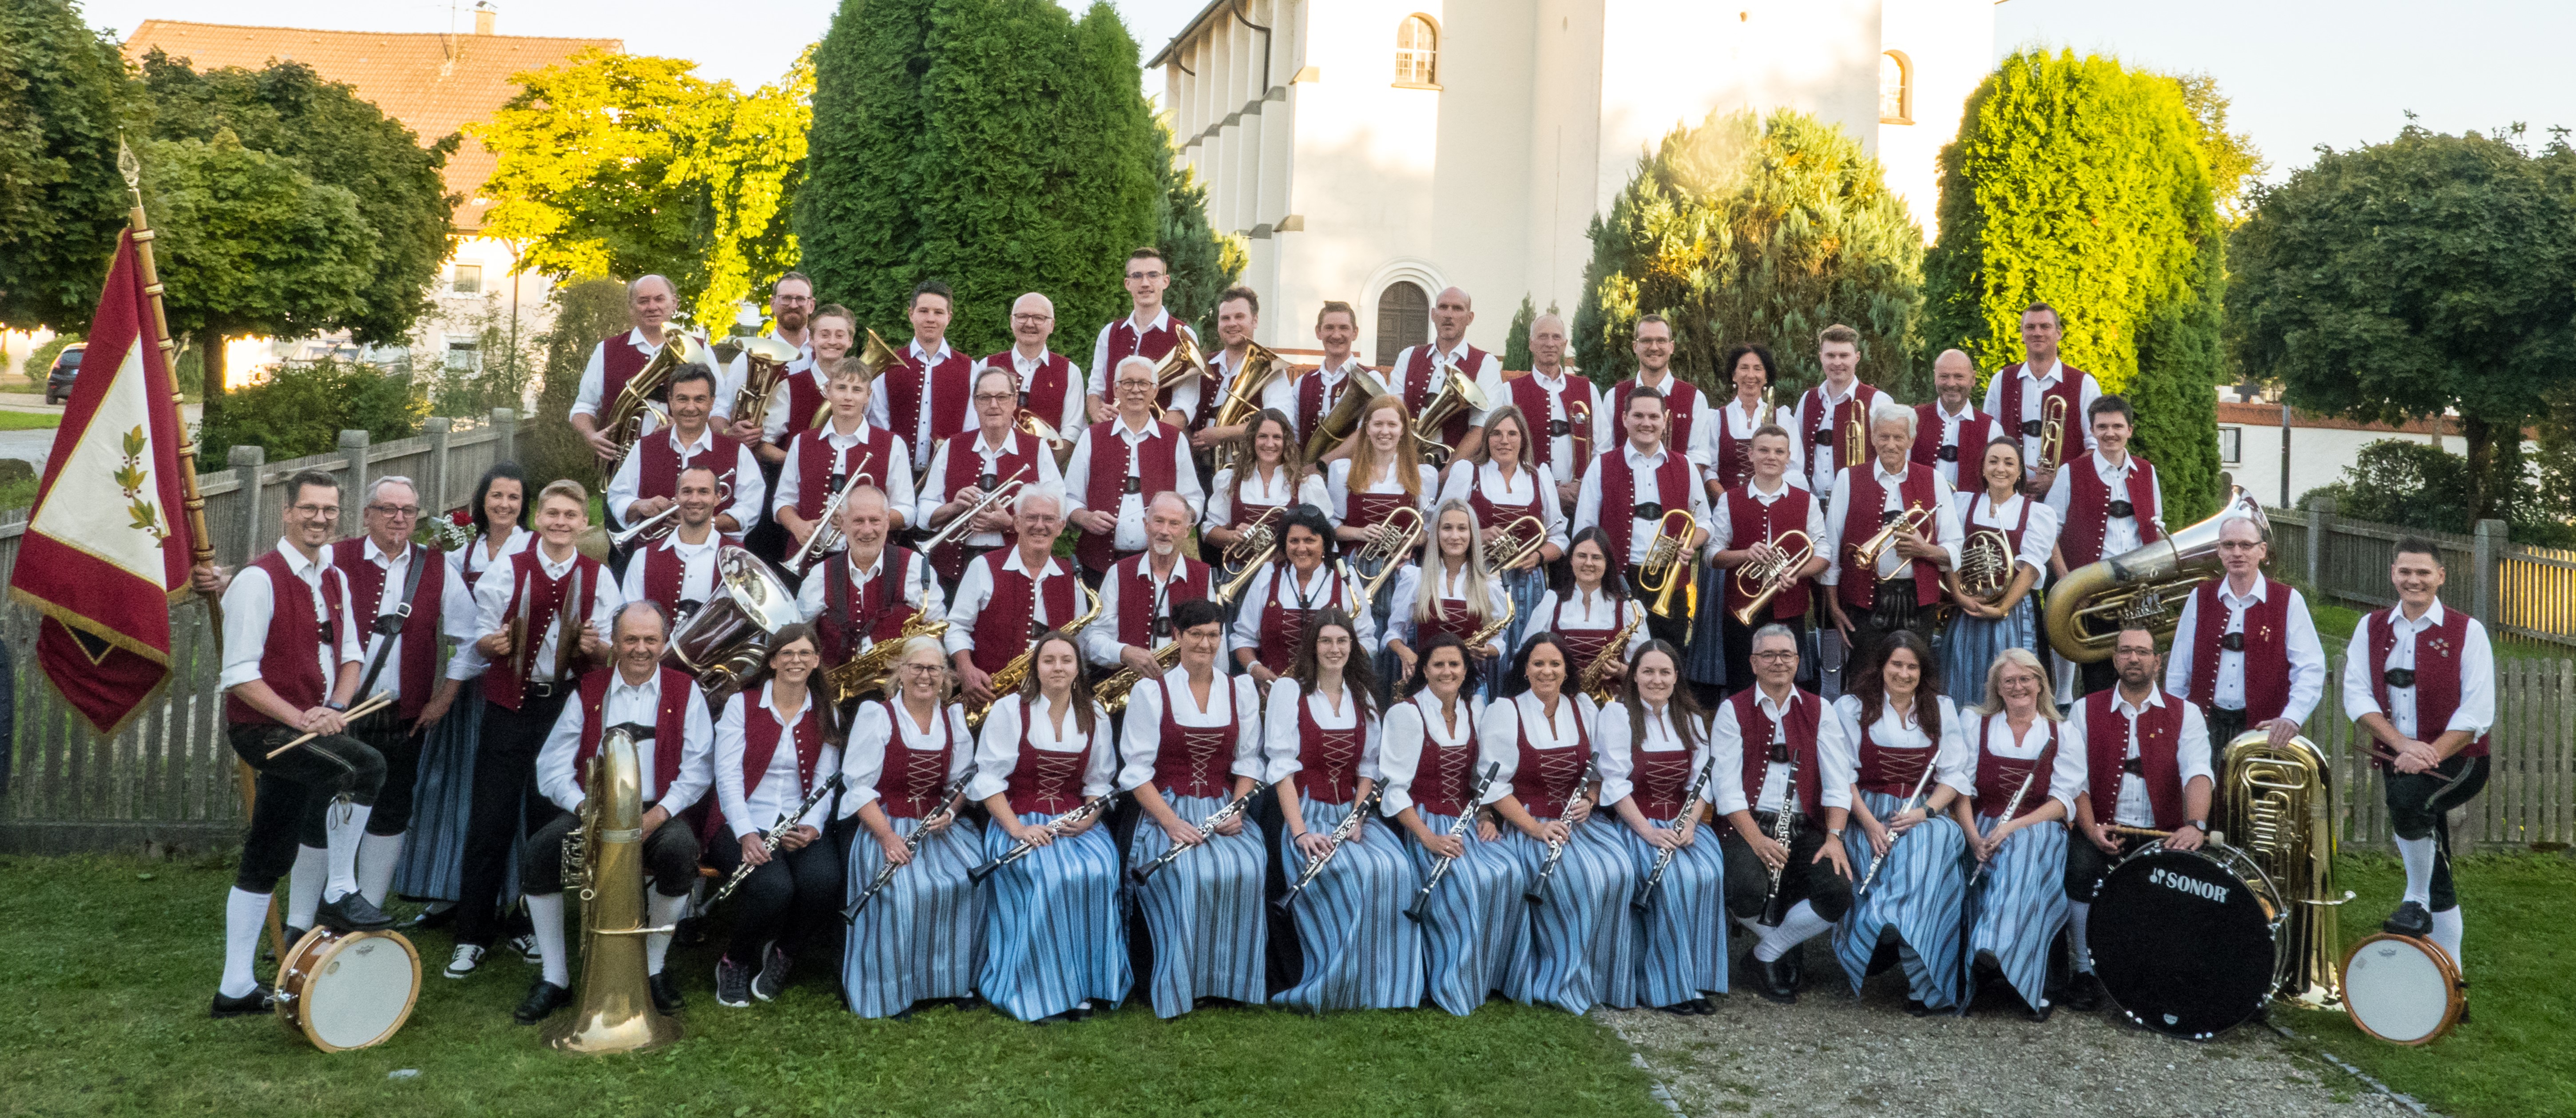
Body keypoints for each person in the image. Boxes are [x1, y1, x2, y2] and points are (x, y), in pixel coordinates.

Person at [209, 470, 385, 1018]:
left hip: (312, 721)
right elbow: (239, 676)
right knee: (365, 768)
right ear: (286, 513)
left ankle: (234, 987)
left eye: (329, 510)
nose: (319, 519)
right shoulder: (257, 580)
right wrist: (302, 720)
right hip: (264, 728)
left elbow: (353, 653)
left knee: (268, 852)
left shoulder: (332, 576)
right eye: (309, 509)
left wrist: (334, 708)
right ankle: (339, 886)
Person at [448, 480, 620, 980]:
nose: (561, 522)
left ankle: (529, 925)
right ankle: (471, 935)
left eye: (571, 515)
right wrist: (492, 645)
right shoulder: (510, 568)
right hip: (509, 707)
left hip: (565, 709)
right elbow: (479, 637)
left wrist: (596, 648)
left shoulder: (599, 576)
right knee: (490, 819)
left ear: (584, 523)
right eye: (552, 514)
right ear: (538, 519)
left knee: (548, 823)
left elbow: (610, 650)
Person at [512, 602, 711, 1023]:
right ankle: (555, 976)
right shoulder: (588, 689)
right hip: (596, 810)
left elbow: (698, 768)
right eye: (631, 639)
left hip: (656, 811)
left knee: (679, 851)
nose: (641, 649)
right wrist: (587, 810)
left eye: (651, 640)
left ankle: (653, 966)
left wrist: (657, 816)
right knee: (542, 851)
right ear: (616, 643)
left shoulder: (685, 689)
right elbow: (551, 768)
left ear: (664, 642)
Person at [312, 476, 467, 928]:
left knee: (392, 809)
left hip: (404, 714)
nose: (399, 518)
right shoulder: (334, 558)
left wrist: (444, 697)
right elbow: (279, 584)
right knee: (329, 806)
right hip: (339, 712)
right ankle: (310, 917)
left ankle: (368, 910)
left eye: (408, 510)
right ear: (367, 515)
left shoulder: (436, 567)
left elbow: (471, 637)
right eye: (387, 509)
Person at [2346, 537, 2494, 1008]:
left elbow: (2477, 712)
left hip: (2458, 761)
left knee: (2410, 802)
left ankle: (2414, 899)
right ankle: (2453, 990)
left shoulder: (2466, 631)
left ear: (2440, 577)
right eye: (2405, 572)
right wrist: (2403, 746)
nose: (2413, 580)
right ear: (2392, 573)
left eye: (2423, 573)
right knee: (2438, 862)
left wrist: (2427, 752)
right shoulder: (2370, 627)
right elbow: (2357, 695)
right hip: (2398, 755)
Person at [1117, 599, 1269, 1017]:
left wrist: (1237, 809)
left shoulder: (1238, 690)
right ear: (1177, 638)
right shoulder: (1152, 691)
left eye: (1213, 635)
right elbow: (1135, 773)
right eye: (1196, 635)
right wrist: (1170, 823)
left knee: (1249, 864)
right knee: (1186, 871)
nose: (1205, 644)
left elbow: (1248, 762)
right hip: (1165, 807)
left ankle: (1228, 981)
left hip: (1221, 805)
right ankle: (1182, 981)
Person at [1265, 608, 1423, 1011]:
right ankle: (1337, 981)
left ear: (1352, 647)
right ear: (1312, 647)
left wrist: (1357, 819)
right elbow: (1282, 768)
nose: (1334, 649)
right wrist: (1300, 833)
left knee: (1394, 869)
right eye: (1326, 642)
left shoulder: (1363, 696)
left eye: (1342, 642)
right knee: (1347, 873)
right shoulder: (1289, 691)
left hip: (1351, 814)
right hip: (1305, 811)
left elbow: (1368, 769)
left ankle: (1382, 984)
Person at [969, 630, 1129, 1022]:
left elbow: (1097, 784)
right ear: (1036, 668)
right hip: (1018, 821)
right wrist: (1018, 831)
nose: (1058, 667)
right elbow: (989, 782)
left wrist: (1090, 817)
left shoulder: (1095, 715)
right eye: (1049, 660)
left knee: (1096, 870)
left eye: (1066, 660)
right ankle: (1034, 985)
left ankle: (1085, 986)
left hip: (1075, 823)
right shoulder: (1010, 711)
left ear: (1078, 669)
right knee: (1050, 875)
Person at [396, 464, 532, 913]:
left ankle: (509, 895)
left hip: (513, 686)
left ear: (523, 504)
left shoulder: (531, 549)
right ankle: (449, 886)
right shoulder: (462, 553)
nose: (504, 505)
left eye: (513, 497)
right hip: (467, 685)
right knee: (451, 788)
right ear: (482, 501)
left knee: (504, 795)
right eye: (497, 496)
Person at [2064, 623, 2211, 1012]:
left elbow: (2198, 771)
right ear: (2113, 659)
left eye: (2142, 652)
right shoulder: (2084, 709)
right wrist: (2090, 828)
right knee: (2079, 868)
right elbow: (2073, 780)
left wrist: (2193, 825)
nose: (2133, 658)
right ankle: (2083, 972)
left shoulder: (2187, 714)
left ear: (2157, 662)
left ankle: (2164, 974)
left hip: (2163, 831)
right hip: (2102, 826)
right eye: (2125, 651)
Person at [1826, 633, 1973, 1015]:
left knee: (1932, 842)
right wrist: (1871, 825)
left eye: (1912, 667)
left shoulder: (1940, 708)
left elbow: (1954, 776)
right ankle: (1924, 982)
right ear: (1881, 666)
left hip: (1924, 811)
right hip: (1868, 813)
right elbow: (1842, 775)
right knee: (1928, 867)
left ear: (1922, 672)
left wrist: (1925, 813)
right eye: (1897, 665)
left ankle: (1886, 921)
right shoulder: (1851, 707)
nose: (1904, 674)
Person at [838, 636, 984, 1019]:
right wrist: (887, 837)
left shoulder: (952, 718)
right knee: (902, 890)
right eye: (916, 667)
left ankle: (949, 982)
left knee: (968, 880)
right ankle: (894, 987)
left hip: (937, 827)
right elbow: (858, 787)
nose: (925, 676)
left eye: (933, 668)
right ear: (900, 671)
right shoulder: (877, 715)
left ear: (945, 676)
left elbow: (960, 784)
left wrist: (951, 814)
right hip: (885, 824)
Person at [1487, 634, 1634, 1013]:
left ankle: (1600, 979)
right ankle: (1559, 980)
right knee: (1578, 879)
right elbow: (1494, 787)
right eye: (1538, 664)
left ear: (1567, 669)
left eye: (1554, 664)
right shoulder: (1506, 710)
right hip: (1528, 823)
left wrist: (1589, 800)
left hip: (1578, 823)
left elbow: (1600, 775)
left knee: (1618, 870)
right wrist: (1535, 829)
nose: (1546, 671)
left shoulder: (1584, 706)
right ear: (1524, 669)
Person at [1379, 634, 1520, 1015]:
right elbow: (1393, 791)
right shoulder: (1406, 714)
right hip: (1423, 821)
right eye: (1438, 664)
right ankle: (1451, 983)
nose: (1446, 672)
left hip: (1467, 818)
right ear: (1424, 670)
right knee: (1464, 881)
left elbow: (1480, 779)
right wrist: (1428, 838)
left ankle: (1488, 977)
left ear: (1466, 670)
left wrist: (1488, 815)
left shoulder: (1476, 707)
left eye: (1454, 664)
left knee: (1508, 871)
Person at [1711, 624, 1853, 1004]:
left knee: (1837, 890)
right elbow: (1725, 788)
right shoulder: (1732, 710)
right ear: (1753, 663)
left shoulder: (1819, 708)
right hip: (1747, 825)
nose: (1778, 662)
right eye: (1768, 655)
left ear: (1797, 661)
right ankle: (1784, 946)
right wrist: (1757, 841)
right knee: (1742, 890)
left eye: (1786, 655)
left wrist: (1834, 838)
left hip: (1803, 825)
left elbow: (1839, 782)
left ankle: (1766, 953)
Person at [709, 624, 845, 1008]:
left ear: (817, 661)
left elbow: (825, 780)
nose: (795, 661)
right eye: (787, 653)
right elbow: (728, 776)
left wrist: (814, 827)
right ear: (772, 660)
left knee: (824, 880)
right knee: (774, 888)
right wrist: (746, 834)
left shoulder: (826, 711)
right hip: (741, 821)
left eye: (804, 654)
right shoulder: (743, 704)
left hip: (798, 822)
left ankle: (785, 951)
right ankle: (734, 959)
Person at [1598, 641, 1726, 1014]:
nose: (1657, 680)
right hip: (1637, 824)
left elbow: (1701, 782)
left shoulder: (1689, 717)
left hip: (1681, 822)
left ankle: (1695, 980)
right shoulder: (1617, 716)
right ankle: (1664, 984)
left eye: (1665, 672)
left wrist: (1688, 824)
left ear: (1676, 677)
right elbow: (1615, 785)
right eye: (1648, 672)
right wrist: (1649, 833)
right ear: (1633, 676)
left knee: (1707, 874)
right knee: (1671, 881)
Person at [1960, 647, 2085, 1021]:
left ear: (2040, 684)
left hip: (2039, 828)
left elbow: (2063, 802)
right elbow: (1960, 791)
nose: (2018, 687)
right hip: (1982, 826)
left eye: (2025, 679)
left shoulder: (2061, 732)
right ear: (1997, 688)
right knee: (1998, 856)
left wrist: (2013, 827)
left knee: (2026, 850)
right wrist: (1972, 838)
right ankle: (2007, 964)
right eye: (2009, 681)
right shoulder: (1974, 724)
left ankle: (1992, 945)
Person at [1822, 396, 1964, 685]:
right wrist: (1833, 606)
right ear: (1872, 438)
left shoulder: (1934, 480)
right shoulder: (1847, 479)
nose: (1891, 444)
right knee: (1864, 678)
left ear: (1911, 440)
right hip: (1863, 602)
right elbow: (1831, 548)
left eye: (1898, 437)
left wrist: (1924, 549)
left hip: (1918, 602)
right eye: (1884, 436)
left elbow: (1954, 545)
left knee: (1914, 680)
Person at [2163, 513, 2325, 745]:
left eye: (2246, 545)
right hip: (2203, 728)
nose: (2237, 553)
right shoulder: (2200, 597)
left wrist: (2291, 718)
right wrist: (2177, 717)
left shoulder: (2288, 600)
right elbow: (2180, 667)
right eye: (2229, 545)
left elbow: (2310, 667)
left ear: (2262, 550)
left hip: (2265, 733)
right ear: (2219, 551)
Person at [1571, 386, 1711, 651]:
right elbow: (1585, 529)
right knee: (1616, 656)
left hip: (1670, 582)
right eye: (1638, 416)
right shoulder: (1601, 466)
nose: (1646, 423)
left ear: (1665, 419)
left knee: (1669, 658)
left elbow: (1705, 521)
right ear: (1624, 419)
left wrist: (1690, 543)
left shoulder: (1685, 465)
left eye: (1654, 417)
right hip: (1618, 580)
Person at [2045, 395, 2165, 698]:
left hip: (2139, 591)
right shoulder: (2070, 473)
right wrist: (2069, 585)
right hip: (2094, 591)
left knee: (2139, 674)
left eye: (2117, 426)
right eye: (2102, 427)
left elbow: (2156, 528)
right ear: (2092, 430)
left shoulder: (2147, 471)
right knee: (2098, 679)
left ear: (2130, 430)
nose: (2110, 433)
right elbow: (2048, 533)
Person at [1707, 424, 1827, 701]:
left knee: (1786, 680)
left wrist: (1797, 573)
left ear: (1788, 458)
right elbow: (1712, 555)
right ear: (1750, 455)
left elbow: (1824, 552)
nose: (1771, 457)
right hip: (1741, 607)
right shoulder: (1729, 499)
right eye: (1763, 450)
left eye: (1779, 451)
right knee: (1742, 680)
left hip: (1789, 605)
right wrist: (1744, 554)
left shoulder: (1806, 501)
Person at [1438, 404, 1566, 656]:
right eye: (1496, 434)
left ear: (1523, 438)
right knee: (1482, 650)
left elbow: (1560, 537)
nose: (1504, 441)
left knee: (1525, 654)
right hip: (1477, 580)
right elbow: (1438, 528)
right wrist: (1477, 535)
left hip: (1527, 583)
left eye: (1512, 434)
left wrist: (1539, 557)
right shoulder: (1467, 471)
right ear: (1486, 439)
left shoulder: (1540, 476)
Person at [1065, 355, 1206, 583]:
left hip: (1159, 566)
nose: (1136, 390)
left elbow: (1194, 499)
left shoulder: (1174, 439)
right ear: (1116, 389)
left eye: (1144, 384)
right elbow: (1069, 498)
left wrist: (1175, 522)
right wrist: (1085, 517)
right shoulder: (1091, 437)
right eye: (1128, 383)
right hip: (1097, 565)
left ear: (1155, 391)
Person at [1942, 438, 2059, 711]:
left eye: (2009, 463)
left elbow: (2030, 569)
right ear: (1983, 468)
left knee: (2013, 680)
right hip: (1969, 606)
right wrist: (1959, 596)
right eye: (1993, 461)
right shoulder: (1962, 503)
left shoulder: (2037, 513)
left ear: (2020, 473)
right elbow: (1952, 556)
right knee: (1962, 677)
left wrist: (2003, 608)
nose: (2000, 469)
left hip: (2013, 611)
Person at [917, 367, 1065, 584]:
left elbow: (1059, 507)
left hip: (1017, 565)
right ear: (975, 403)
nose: (994, 405)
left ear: (1015, 401)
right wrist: (955, 507)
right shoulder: (953, 446)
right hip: (955, 567)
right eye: (985, 398)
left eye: (1002, 397)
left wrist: (1011, 522)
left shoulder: (1038, 449)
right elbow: (923, 513)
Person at [945, 484, 1084, 707]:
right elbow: (957, 627)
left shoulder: (1073, 577)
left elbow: (1080, 641)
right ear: (1017, 523)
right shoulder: (983, 567)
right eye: (1031, 518)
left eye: (1049, 519)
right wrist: (966, 670)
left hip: (1052, 698)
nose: (1040, 526)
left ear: (1061, 527)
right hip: (991, 695)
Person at [798, 485, 945, 679]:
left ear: (887, 523)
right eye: (858, 521)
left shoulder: (915, 567)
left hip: (899, 694)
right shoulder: (820, 575)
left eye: (875, 521)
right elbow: (798, 635)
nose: (867, 530)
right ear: (843, 524)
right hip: (833, 694)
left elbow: (938, 629)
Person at [776, 354, 913, 558]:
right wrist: (797, 525)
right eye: (841, 388)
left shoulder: (892, 444)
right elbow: (783, 501)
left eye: (857, 390)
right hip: (807, 558)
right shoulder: (802, 442)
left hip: (870, 559)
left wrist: (861, 521)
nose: (848, 397)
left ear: (868, 395)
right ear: (828, 391)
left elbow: (907, 512)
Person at [605, 363, 764, 540]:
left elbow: (750, 510)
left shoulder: (738, 451)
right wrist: (641, 505)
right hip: (654, 559)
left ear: (712, 403)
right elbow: (618, 497)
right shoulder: (643, 448)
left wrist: (706, 523)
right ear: (670, 401)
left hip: (716, 560)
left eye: (699, 399)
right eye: (682, 399)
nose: (690, 407)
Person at [1331, 395, 1441, 646]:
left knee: (1399, 634)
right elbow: (1331, 526)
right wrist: (1360, 533)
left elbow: (1428, 530)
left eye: (1392, 425)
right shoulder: (1343, 471)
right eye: (1378, 424)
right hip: (1357, 566)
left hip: (1402, 571)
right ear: (1367, 428)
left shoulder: (1422, 475)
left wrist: (1410, 542)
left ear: (1403, 430)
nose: (1385, 432)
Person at [1230, 504, 1378, 686]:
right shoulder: (1268, 576)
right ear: (1285, 544)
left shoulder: (1345, 579)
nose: (1301, 548)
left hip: (1331, 690)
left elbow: (1367, 641)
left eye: (1310, 540)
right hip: (1274, 691)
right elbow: (1243, 638)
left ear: (1325, 543)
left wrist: (1335, 663)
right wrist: (1255, 669)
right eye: (1294, 541)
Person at [1202, 409, 1330, 603]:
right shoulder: (1229, 480)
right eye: (1263, 436)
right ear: (1252, 439)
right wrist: (1231, 536)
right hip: (1240, 574)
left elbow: (1325, 537)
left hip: (1289, 577)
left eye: (1277, 437)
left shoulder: (1305, 483)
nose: (1270, 444)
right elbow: (1209, 531)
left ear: (1286, 441)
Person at [1385, 501, 1512, 697]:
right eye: (1447, 528)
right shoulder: (1416, 579)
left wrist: (1488, 650)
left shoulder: (1490, 585)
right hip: (1425, 685)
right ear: (1436, 533)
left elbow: (1499, 642)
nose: (1455, 536)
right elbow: (1393, 633)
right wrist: (1406, 654)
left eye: (1462, 528)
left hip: (1472, 686)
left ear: (1473, 535)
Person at [1981, 301, 2103, 497]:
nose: (2038, 333)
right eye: (2030, 327)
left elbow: (2097, 447)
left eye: (2045, 327)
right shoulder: (2001, 380)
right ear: (2022, 335)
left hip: (2065, 497)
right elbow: (1987, 441)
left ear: (2059, 333)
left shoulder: (2085, 384)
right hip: (2009, 495)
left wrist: (2059, 479)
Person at [1086, 492, 1211, 679]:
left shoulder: (1204, 575)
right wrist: (1124, 653)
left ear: (1187, 531)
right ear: (1146, 525)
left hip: (1185, 688)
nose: (1165, 531)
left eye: (1174, 524)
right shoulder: (1118, 572)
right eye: (1159, 521)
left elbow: (1216, 645)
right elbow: (1093, 639)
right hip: (1128, 690)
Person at [1492, 312, 1608, 508]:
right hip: (1529, 498)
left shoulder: (1588, 389)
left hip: (1580, 500)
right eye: (1543, 337)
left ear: (1564, 344)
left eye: (1556, 337)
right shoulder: (1509, 391)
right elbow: (1502, 450)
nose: (1550, 343)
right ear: (1531, 344)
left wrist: (1583, 485)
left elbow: (1603, 446)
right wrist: (1546, 488)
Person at [569, 274, 684, 461]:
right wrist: (590, 435)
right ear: (631, 308)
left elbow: (716, 406)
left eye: (659, 299)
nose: (652, 307)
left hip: (680, 459)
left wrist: (684, 427)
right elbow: (584, 406)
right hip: (620, 462)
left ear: (674, 303)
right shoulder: (606, 350)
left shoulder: (698, 350)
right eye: (643, 301)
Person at [870, 281, 980, 476]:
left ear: (949, 317)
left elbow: (971, 428)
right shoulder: (888, 365)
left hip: (948, 473)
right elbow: (879, 424)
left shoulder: (970, 368)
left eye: (938, 312)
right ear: (911, 314)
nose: (931, 319)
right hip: (894, 472)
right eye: (923, 311)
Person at [1530, 529, 1651, 697]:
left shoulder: (1630, 609)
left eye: (1596, 557)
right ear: (1571, 559)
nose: (1588, 563)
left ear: (1607, 563)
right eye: (1581, 556)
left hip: (1612, 706)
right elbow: (1526, 658)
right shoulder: (1551, 602)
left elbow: (1647, 671)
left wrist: (1620, 670)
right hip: (1560, 702)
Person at [1089, 247, 1200, 425]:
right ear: (1127, 284)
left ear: (1166, 281)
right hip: (1111, 435)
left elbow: (1184, 405)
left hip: (1161, 439)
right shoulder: (1109, 332)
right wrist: (1097, 413)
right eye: (1137, 276)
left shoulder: (1183, 334)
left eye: (1153, 275)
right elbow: (1095, 390)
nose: (1145, 283)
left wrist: (1151, 438)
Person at [1387, 285, 1497, 463]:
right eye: (1443, 307)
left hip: (1455, 468)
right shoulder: (1408, 356)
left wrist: (1446, 474)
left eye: (1458, 308)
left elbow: (1481, 427)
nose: (1449, 314)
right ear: (1433, 314)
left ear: (1470, 318)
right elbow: (1393, 411)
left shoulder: (1486, 363)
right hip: (1403, 461)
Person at [1788, 324, 1885, 506]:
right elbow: (1795, 452)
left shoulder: (1878, 400)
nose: (1837, 363)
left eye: (1844, 356)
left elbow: (1893, 457)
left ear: (1857, 357)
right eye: (1831, 355)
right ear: (1821, 357)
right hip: (1813, 504)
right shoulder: (1808, 399)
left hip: (1860, 503)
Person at [618, 465, 730, 620]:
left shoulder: (737, 557)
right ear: (676, 497)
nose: (695, 499)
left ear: (717, 498)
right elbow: (630, 621)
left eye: (703, 492)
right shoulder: (642, 557)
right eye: (687, 491)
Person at [718, 271, 817, 446]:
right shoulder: (750, 356)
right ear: (773, 303)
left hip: (815, 458)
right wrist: (729, 432)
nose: (793, 305)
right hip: (763, 461)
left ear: (811, 305)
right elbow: (720, 410)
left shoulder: (825, 355)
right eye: (786, 298)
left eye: (801, 299)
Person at [1608, 315, 1710, 472]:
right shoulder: (1613, 397)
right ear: (1635, 347)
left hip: (1675, 493)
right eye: (1647, 341)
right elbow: (1606, 454)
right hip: (1625, 492)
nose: (1654, 347)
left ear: (1672, 347)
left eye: (1661, 341)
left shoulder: (1696, 399)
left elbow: (1699, 458)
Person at [982, 291, 1087, 442]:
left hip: (1051, 462)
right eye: (1022, 317)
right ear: (1012, 321)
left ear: (1052, 325)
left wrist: (1047, 465)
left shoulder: (1070, 372)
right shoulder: (986, 366)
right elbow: (975, 423)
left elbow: (1072, 431)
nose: (1030, 324)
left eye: (1039, 318)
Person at [1268, 301, 1367, 454]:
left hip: (1352, 474)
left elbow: (1368, 433)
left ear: (1355, 333)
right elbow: (1293, 434)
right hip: (1306, 474)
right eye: (1329, 328)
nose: (1336, 335)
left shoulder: (1371, 379)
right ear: (1318, 332)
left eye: (1344, 328)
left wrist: (1322, 464)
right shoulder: (1302, 383)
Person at [766, 302, 857, 460]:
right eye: (825, 335)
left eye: (840, 335)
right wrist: (801, 463)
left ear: (850, 341)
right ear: (811, 339)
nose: (832, 341)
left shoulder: (861, 388)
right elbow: (765, 446)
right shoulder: (788, 387)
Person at [1911, 350, 2007, 491]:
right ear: (1935, 378)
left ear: (1973, 379)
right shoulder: (1913, 419)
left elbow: (1999, 482)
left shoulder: (1992, 430)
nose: (1951, 384)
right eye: (1944, 376)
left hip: (1970, 511)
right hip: (1920, 508)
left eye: (1959, 377)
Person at [1187, 286, 1266, 453]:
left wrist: (1221, 434)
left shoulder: (1271, 370)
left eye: (1239, 317)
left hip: (1247, 470)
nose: (1232, 324)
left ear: (1255, 320)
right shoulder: (1202, 365)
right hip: (1198, 468)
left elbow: (1277, 421)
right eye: (1225, 318)